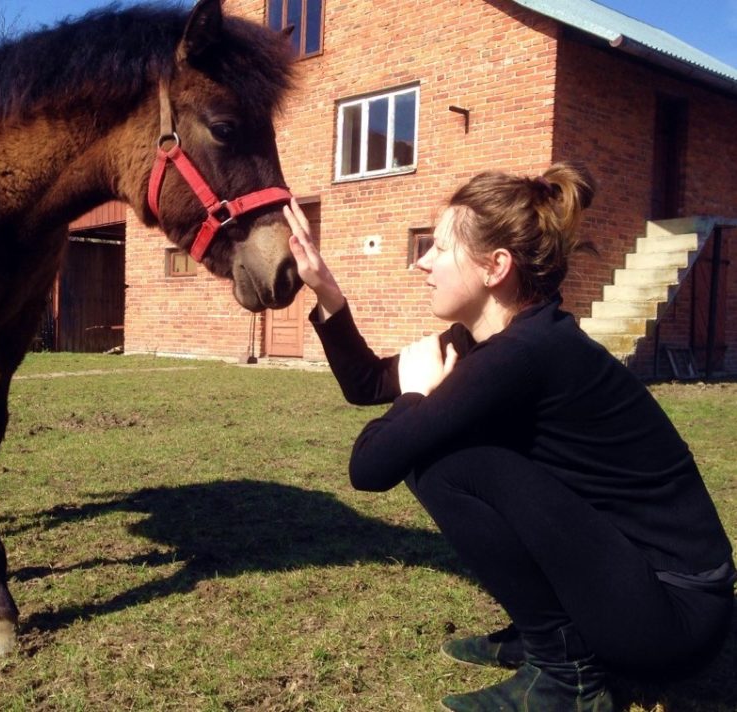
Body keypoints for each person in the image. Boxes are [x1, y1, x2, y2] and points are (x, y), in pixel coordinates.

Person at [283, 162, 735, 711]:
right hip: (646, 591)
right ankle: (555, 632)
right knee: (438, 444)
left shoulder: (524, 355)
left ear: (496, 267)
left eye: (440, 247)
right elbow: (367, 383)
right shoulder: (495, 342)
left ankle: (568, 673)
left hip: (674, 614)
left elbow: (371, 467)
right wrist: (327, 292)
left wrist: (418, 397)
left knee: (445, 461)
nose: (422, 261)